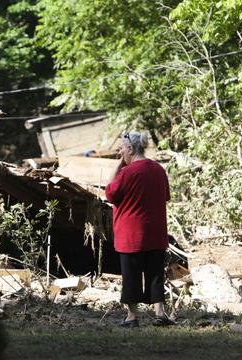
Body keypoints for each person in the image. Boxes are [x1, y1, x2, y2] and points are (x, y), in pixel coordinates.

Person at [104, 131, 175, 327]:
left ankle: (132, 316)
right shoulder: (159, 170)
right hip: (156, 232)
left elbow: (110, 193)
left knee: (131, 275)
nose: (120, 151)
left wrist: (118, 166)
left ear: (130, 149)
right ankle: (160, 313)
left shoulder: (127, 172)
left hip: (131, 234)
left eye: (121, 148)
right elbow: (165, 197)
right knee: (155, 275)